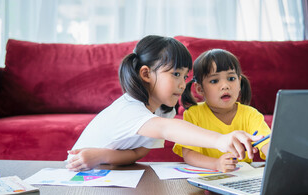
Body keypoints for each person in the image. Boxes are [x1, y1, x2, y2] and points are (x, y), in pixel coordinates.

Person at [66, 36, 263, 171]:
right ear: (146, 74)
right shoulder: (130, 107)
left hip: (102, 168)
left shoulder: (163, 110)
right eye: (176, 74)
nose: (182, 83)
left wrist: (101, 156)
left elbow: (137, 153)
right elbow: (167, 129)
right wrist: (220, 140)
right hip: (79, 174)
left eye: (185, 76)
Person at [173, 49, 271, 173]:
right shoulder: (194, 114)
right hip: (207, 177)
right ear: (200, 89)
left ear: (239, 82)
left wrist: (277, 157)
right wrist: (216, 164)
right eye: (214, 81)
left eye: (231, 78)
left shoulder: (251, 115)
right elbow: (188, 154)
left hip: (241, 177)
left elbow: (267, 144)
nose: (225, 86)